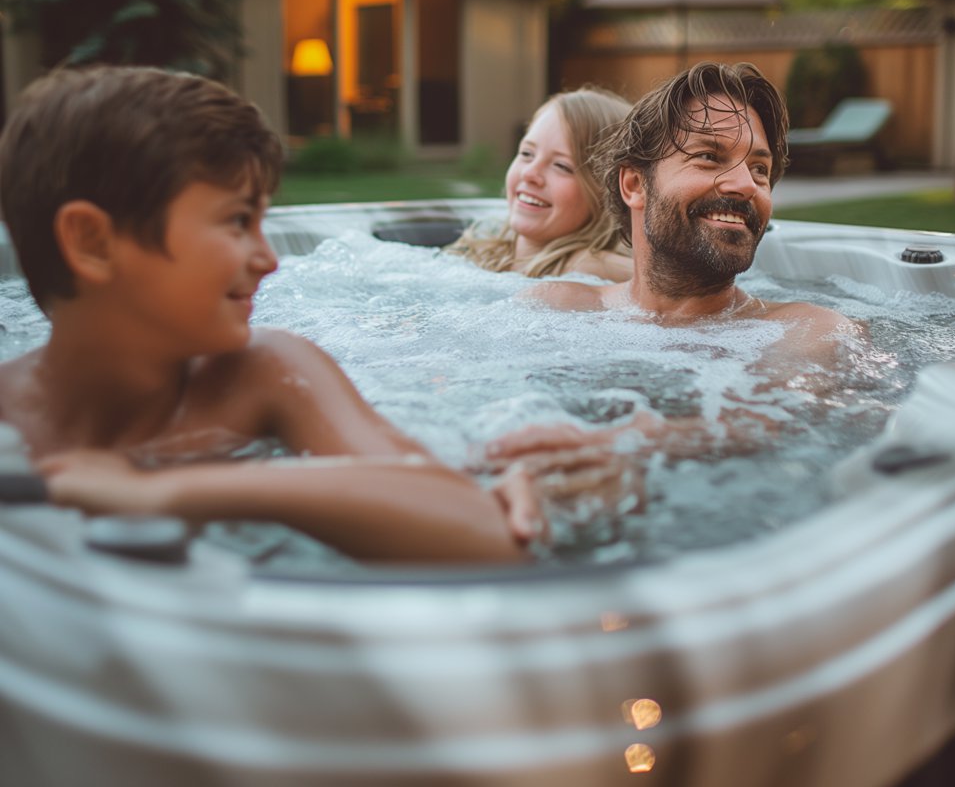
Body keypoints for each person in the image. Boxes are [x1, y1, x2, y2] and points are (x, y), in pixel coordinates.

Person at [0, 65, 543, 565]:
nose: (269, 259)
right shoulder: (10, 422)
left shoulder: (263, 371)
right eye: (238, 221)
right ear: (92, 242)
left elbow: (488, 535)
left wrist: (163, 492)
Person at [478, 60, 866, 470]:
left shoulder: (807, 329)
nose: (745, 185)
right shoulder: (556, 304)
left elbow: (772, 420)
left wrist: (625, 445)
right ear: (634, 185)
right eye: (709, 157)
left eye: (759, 169)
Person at [447, 87, 633, 281]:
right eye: (527, 153)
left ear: (610, 193)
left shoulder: (590, 268)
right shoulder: (481, 246)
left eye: (561, 166)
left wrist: (591, 263)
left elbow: (656, 283)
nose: (529, 174)